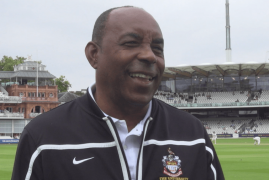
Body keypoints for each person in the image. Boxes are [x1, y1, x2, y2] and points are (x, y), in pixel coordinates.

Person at [12, 6, 224, 180]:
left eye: (157, 48)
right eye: (131, 43)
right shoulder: (43, 137)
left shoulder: (192, 134)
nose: (150, 56)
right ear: (94, 54)